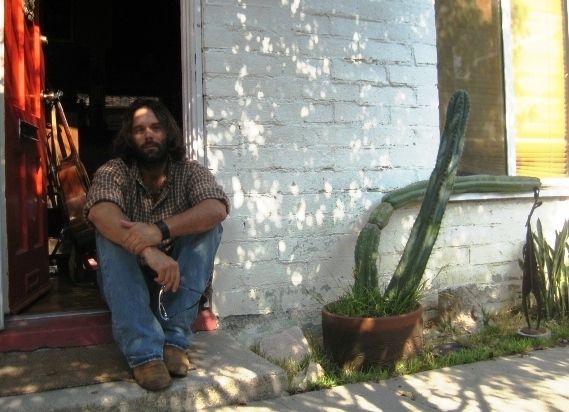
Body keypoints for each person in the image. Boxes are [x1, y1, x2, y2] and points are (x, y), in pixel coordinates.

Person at [85, 98, 229, 391]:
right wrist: (146, 249)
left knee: (210, 227)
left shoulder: (189, 171)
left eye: (156, 127)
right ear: (129, 137)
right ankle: (145, 353)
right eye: (139, 130)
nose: (148, 135)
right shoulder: (114, 171)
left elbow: (216, 207)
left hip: (174, 283)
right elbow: (99, 211)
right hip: (127, 285)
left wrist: (158, 231)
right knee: (108, 233)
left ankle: (174, 341)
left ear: (168, 132)